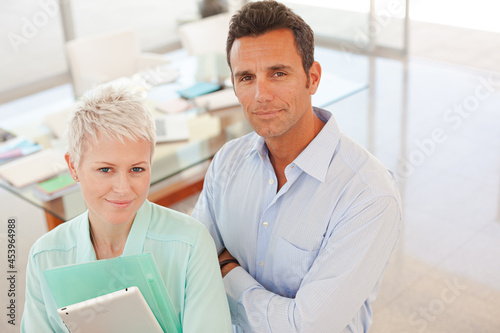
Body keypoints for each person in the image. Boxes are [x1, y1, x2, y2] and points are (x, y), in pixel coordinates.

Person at [191, 1, 402, 332]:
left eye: (278, 73)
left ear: (312, 78)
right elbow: (193, 265)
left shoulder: (368, 195)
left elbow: (306, 327)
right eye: (246, 77)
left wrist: (228, 273)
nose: (261, 94)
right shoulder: (227, 162)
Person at [21, 83, 232, 332]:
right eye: (105, 170)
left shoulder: (191, 244)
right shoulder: (45, 256)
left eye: (137, 169)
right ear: (73, 167)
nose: (123, 188)